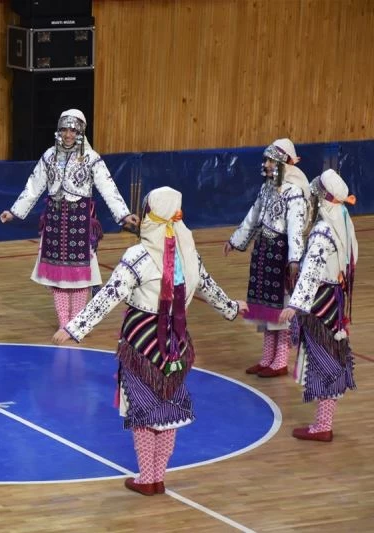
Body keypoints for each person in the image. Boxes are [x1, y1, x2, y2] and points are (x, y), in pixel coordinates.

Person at [53, 187, 246, 495]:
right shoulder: (189, 251)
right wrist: (231, 308)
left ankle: (147, 477)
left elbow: (110, 295)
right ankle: (157, 476)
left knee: (142, 409)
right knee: (168, 408)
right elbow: (209, 287)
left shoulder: (139, 256)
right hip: (176, 341)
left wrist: (75, 328)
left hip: (141, 342)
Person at [0, 109, 139, 330]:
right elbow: (34, 186)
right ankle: (63, 322)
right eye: (64, 129)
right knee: (58, 278)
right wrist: (14, 211)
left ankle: (76, 323)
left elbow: (108, 187)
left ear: (81, 131)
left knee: (81, 277)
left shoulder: (92, 158)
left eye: (73, 130)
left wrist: (124, 214)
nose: (67, 134)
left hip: (80, 222)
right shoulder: (49, 156)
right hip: (55, 221)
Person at [278, 169, 357, 442]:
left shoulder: (323, 230)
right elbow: (351, 259)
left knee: (323, 360)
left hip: (320, 304)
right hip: (336, 298)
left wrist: (297, 305)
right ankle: (323, 422)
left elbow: (311, 272)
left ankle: (322, 426)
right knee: (332, 357)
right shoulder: (344, 221)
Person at [224, 138, 310, 377]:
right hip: (264, 252)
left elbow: (295, 226)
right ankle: (266, 358)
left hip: (280, 254)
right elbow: (254, 215)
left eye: (270, 160)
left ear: (282, 163)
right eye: (266, 160)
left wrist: (294, 259)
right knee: (265, 308)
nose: (266, 164)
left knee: (279, 307)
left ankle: (280, 361)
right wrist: (236, 239)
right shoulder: (268, 187)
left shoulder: (294, 192)